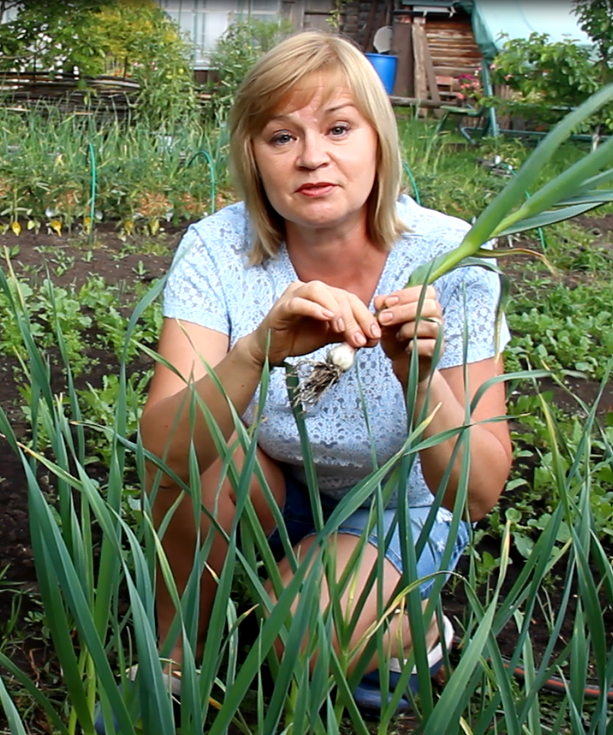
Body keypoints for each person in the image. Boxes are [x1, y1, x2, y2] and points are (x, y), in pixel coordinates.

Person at [111, 30, 511, 727]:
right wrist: (255, 352)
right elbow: (164, 454)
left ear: (378, 140)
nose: (313, 157)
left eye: (337, 127)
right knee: (204, 453)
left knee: (310, 632)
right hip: (273, 483)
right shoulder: (218, 248)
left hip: (400, 504)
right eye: (281, 136)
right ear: (254, 157)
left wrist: (419, 378)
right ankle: (176, 654)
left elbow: (476, 492)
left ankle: (403, 624)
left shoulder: (449, 258)